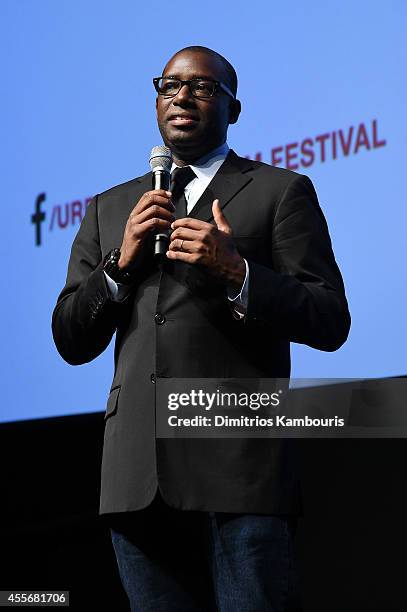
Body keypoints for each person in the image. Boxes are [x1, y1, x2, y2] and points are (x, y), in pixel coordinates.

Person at [52, 45, 350, 611]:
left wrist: (237, 271)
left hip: (239, 470)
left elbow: (330, 317)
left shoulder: (279, 191)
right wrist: (119, 265)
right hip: (136, 477)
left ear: (234, 110)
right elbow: (70, 337)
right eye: (169, 86)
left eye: (204, 87)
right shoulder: (110, 208)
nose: (182, 97)